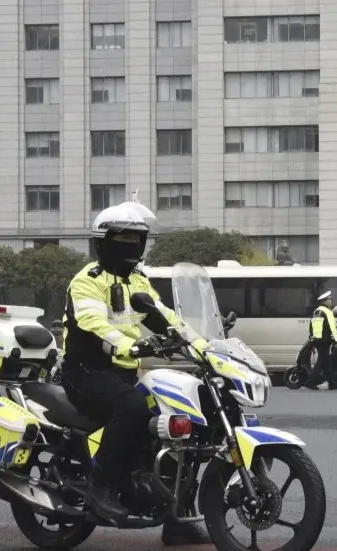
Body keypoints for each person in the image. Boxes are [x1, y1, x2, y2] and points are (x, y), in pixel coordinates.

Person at [59, 201, 210, 546]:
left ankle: (175, 519)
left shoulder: (138, 280)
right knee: (131, 407)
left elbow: (165, 317)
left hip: (123, 371)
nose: (129, 244)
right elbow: (96, 326)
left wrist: (204, 348)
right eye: (121, 238)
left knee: (179, 429)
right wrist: (130, 348)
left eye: (135, 238)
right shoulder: (87, 281)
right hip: (85, 371)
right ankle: (101, 486)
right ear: (103, 242)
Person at [305, 290, 337, 390]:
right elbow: (332, 327)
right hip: (325, 340)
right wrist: (336, 341)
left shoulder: (316, 311)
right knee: (322, 361)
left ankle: (332, 383)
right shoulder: (328, 312)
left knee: (325, 361)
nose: (331, 302)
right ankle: (310, 382)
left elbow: (311, 326)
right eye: (329, 300)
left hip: (317, 339)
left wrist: (312, 337)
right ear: (325, 301)